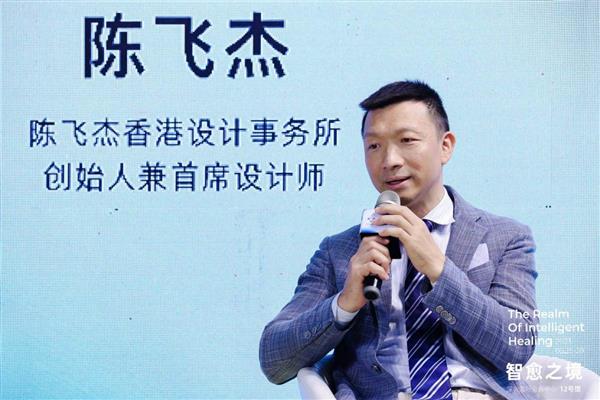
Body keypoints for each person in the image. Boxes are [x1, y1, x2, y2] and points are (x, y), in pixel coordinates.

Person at [259, 81, 539, 400]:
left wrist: (438, 269)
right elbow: (274, 362)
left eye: (407, 140)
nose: (389, 160)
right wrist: (346, 302)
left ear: (445, 146)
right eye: (374, 146)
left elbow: (517, 347)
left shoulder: (506, 237)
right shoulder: (339, 251)